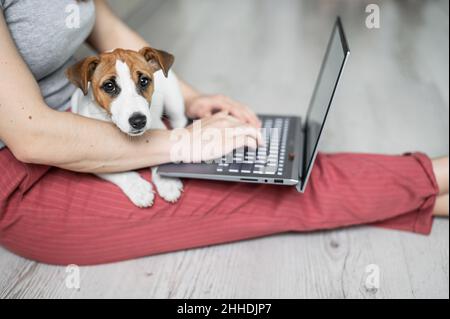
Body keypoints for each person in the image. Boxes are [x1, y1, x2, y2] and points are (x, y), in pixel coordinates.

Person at [0, 0, 448, 265]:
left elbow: (110, 31)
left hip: (107, 130)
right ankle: (436, 177)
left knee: (262, 158)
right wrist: (185, 142)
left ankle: (433, 193)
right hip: (29, 175)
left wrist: (193, 101)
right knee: (275, 191)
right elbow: (32, 136)